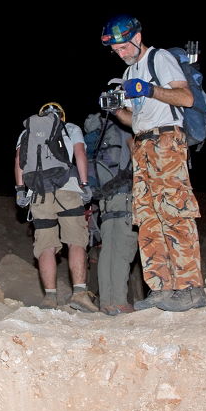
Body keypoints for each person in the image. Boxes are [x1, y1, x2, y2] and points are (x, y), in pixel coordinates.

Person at [100, 15, 206, 312]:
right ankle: (161, 288)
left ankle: (190, 288)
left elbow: (185, 98)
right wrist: (118, 108)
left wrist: (148, 89)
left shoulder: (158, 59)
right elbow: (133, 120)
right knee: (147, 218)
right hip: (144, 144)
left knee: (175, 211)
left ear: (137, 36)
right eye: (116, 50)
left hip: (167, 141)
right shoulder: (129, 70)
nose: (120, 53)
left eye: (123, 47)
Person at [14, 102, 99, 312]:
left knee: (46, 245)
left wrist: (19, 190)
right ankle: (79, 293)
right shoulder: (70, 128)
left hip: (38, 194)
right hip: (68, 190)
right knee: (76, 241)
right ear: (62, 116)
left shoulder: (28, 132)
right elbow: (80, 153)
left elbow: (19, 162)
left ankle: (50, 298)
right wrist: (85, 183)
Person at [83, 112, 135, 316]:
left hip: (104, 199)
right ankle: (120, 301)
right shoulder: (124, 130)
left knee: (107, 251)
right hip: (124, 194)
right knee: (122, 249)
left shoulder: (100, 133)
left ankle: (106, 301)